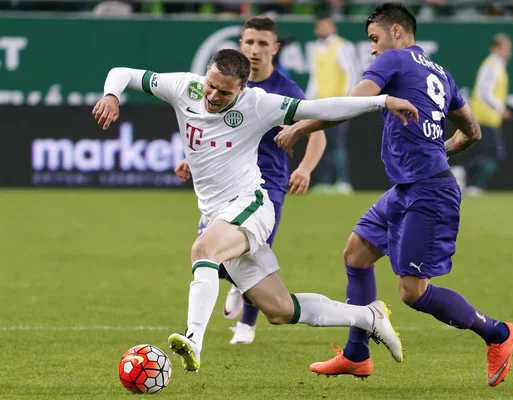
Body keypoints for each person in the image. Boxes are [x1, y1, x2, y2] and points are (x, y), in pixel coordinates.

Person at [92, 48, 419, 373]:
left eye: (224, 91)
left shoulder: (258, 104)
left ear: (242, 89)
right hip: (218, 216)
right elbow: (124, 71)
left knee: (203, 248)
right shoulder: (185, 87)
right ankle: (368, 316)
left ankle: (194, 339)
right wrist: (111, 96)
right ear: (206, 73)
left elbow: (320, 108)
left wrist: (382, 101)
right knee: (279, 309)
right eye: (211, 85)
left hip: (251, 205)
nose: (213, 95)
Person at [275, 2, 513, 386]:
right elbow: (472, 131)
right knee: (356, 254)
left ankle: (499, 333)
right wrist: (444, 148)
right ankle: (357, 354)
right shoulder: (440, 72)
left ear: (396, 32)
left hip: (429, 192)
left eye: (374, 39)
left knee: (412, 292)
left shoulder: (394, 62)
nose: (372, 49)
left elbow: (351, 104)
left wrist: (299, 128)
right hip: (409, 187)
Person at [173, 17, 327, 345]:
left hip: (267, 182)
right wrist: (193, 156)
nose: (255, 49)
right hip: (226, 180)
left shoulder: (286, 90)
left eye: (261, 43)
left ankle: (246, 325)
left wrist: (305, 168)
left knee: (248, 247)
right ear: (240, 45)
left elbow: (317, 132)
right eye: (249, 42)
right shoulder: (227, 87)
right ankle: (236, 288)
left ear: (274, 48)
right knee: (212, 251)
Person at [305, 13, 361, 194]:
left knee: (339, 144)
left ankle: (343, 182)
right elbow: (315, 78)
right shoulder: (315, 48)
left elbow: (352, 73)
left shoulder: (342, 46)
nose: (322, 29)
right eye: (319, 26)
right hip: (321, 106)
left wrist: (348, 101)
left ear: (332, 28)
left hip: (339, 104)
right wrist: (306, 103)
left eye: (325, 25)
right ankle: (325, 183)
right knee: (322, 143)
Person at [458, 33, 512, 197]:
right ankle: (473, 183)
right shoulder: (492, 65)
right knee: (495, 154)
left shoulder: (498, 65)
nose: (508, 52)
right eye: (505, 48)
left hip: (489, 117)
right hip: (484, 116)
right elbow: (485, 91)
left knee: (490, 153)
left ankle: (463, 173)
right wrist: (500, 108)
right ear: (495, 48)